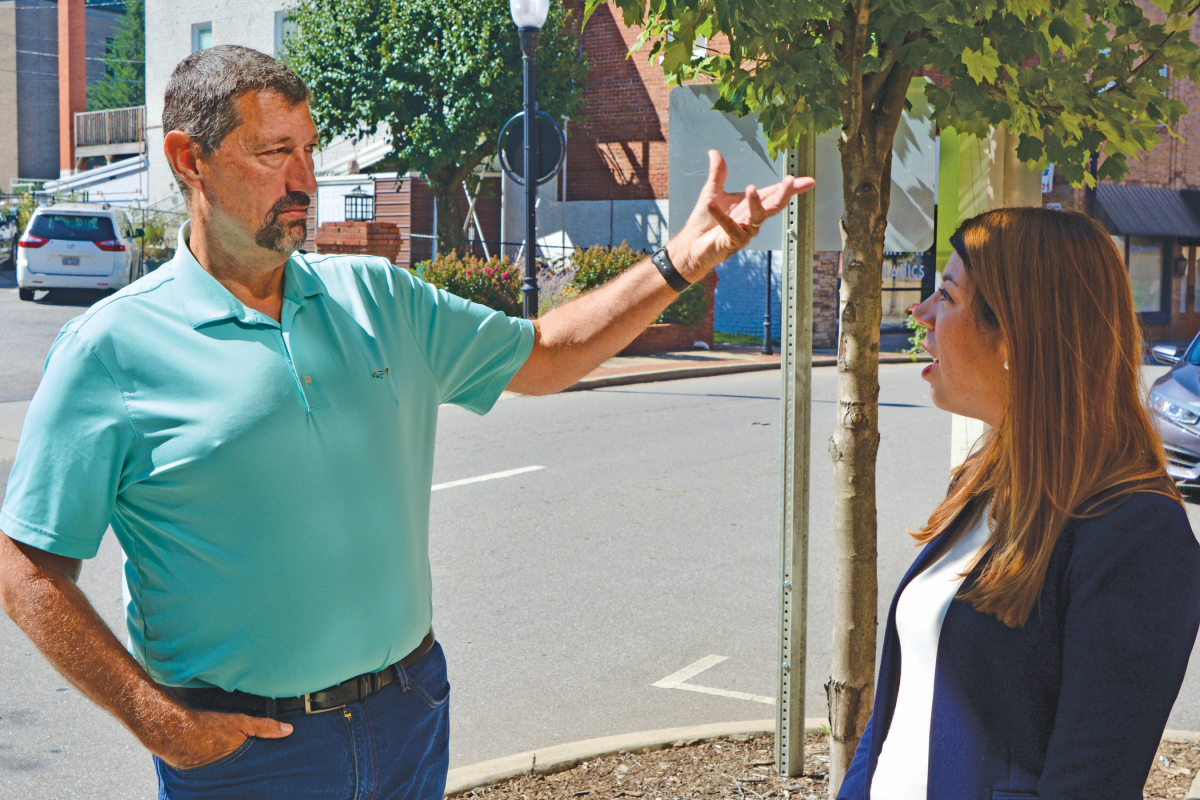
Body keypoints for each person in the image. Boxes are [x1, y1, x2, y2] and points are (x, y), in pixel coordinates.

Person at [0, 46, 813, 800]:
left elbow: (549, 352)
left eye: (310, 149)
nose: (305, 178)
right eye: (274, 151)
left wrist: (683, 258)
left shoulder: (378, 297)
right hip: (247, 757)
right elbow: (28, 568)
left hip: (409, 717)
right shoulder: (111, 349)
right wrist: (160, 723)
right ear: (189, 159)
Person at [838, 206, 1200, 800]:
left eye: (947, 297)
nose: (921, 312)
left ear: (1013, 333)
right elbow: (899, 710)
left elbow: (1090, 783)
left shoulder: (1137, 536)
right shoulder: (982, 483)